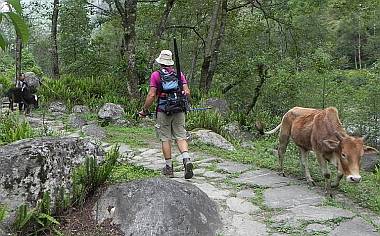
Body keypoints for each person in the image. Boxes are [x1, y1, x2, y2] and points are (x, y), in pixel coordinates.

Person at [139, 50, 193, 179]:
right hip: (179, 108)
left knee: (166, 138)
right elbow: (187, 92)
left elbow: (152, 95)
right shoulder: (178, 74)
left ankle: (169, 168)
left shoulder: (156, 75)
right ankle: (186, 159)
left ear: (160, 62)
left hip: (164, 110)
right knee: (181, 136)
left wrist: (144, 110)